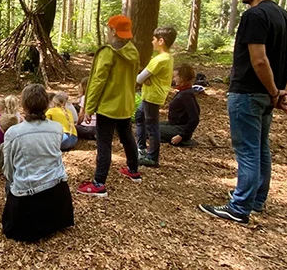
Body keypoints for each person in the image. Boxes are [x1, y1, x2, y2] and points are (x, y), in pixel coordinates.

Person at [199, 0, 287, 225]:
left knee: (248, 151)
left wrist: (275, 91)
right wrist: (280, 90)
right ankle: (256, 200)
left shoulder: (255, 15)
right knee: (261, 148)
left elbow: (259, 59)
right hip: (266, 94)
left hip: (248, 93)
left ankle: (239, 207)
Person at [78, 15, 142, 197]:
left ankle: (99, 183)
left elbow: (98, 81)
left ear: (113, 31)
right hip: (125, 105)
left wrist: (89, 107)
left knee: (104, 143)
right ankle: (133, 170)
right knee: (126, 136)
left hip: (108, 105)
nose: (108, 31)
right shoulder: (133, 51)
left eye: (109, 29)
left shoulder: (108, 52)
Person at [2, 84, 74, 242]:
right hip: (58, 193)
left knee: (9, 184)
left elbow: (8, 170)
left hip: (28, 198)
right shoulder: (57, 128)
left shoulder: (13, 133)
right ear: (46, 104)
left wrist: (13, 183)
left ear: (24, 106)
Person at [135, 26, 177, 168]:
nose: (151, 42)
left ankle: (153, 157)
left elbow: (140, 78)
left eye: (153, 39)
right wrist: (147, 78)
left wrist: (144, 79)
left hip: (152, 96)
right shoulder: (168, 57)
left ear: (161, 41)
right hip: (150, 94)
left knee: (152, 126)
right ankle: (140, 148)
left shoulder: (159, 60)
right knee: (139, 117)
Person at [160, 63, 201, 146]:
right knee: (149, 125)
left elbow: (194, 118)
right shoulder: (183, 92)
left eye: (175, 76)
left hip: (180, 129)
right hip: (173, 124)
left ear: (183, 78)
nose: (173, 79)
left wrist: (182, 135)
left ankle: (181, 140)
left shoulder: (186, 94)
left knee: (151, 130)